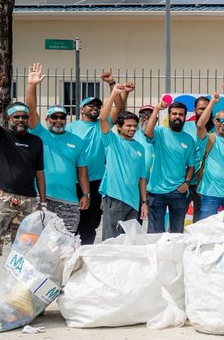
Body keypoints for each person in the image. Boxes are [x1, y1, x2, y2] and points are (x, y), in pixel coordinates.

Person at [0, 73, 46, 304]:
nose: (21, 119)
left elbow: (39, 172)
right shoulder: (1, 136)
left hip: (28, 201)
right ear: (9, 118)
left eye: (25, 116)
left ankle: (16, 290)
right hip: (4, 199)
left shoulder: (36, 142)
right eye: (17, 116)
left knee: (23, 249)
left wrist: (42, 201)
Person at [24, 63, 89, 233]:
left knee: (66, 241)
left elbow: (82, 170)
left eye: (62, 117)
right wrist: (31, 86)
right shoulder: (40, 134)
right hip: (43, 199)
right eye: (54, 117)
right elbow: (30, 111)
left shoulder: (77, 141)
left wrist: (86, 194)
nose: (58, 120)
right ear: (47, 119)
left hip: (69, 201)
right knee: (37, 240)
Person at [66, 69, 116, 244]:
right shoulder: (71, 128)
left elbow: (119, 107)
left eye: (97, 106)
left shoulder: (103, 124)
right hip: (73, 181)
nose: (95, 108)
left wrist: (112, 84)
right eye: (90, 105)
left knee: (92, 220)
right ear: (81, 109)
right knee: (73, 220)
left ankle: (86, 251)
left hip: (97, 181)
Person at [97, 85, 148, 240]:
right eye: (129, 126)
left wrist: (144, 202)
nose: (133, 129)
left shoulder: (140, 147)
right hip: (115, 198)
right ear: (119, 127)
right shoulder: (112, 140)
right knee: (112, 240)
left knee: (131, 241)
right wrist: (114, 93)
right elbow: (102, 118)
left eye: (135, 126)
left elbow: (142, 178)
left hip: (134, 202)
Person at [141, 99, 197, 234]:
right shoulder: (160, 132)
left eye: (181, 114)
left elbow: (191, 166)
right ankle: (154, 255)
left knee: (177, 232)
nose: (177, 117)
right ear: (169, 116)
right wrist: (156, 110)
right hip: (156, 191)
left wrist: (187, 183)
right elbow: (148, 133)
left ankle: (174, 255)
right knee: (155, 232)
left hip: (178, 192)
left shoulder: (189, 139)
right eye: (174, 114)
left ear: (185, 117)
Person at [193, 94, 224, 220]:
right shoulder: (208, 138)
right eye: (220, 120)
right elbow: (200, 125)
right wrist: (213, 102)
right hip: (209, 194)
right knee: (206, 230)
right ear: (215, 121)